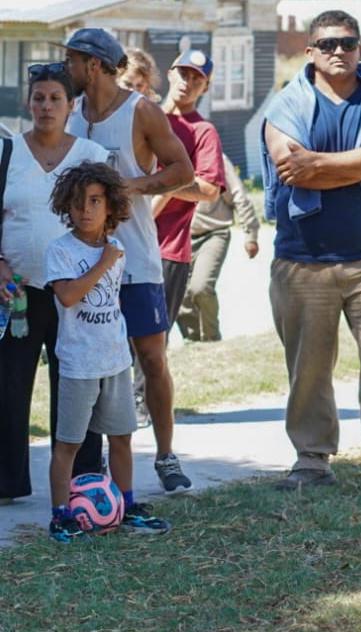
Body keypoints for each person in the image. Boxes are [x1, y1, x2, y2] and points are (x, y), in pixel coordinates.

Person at [262, 9, 361, 504]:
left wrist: (324, 164)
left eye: (347, 44)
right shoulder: (286, 104)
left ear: (360, 50)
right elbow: (292, 170)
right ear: (309, 52)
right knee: (307, 368)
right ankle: (311, 460)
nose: (338, 52)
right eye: (327, 44)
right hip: (301, 258)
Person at [0, 64, 106, 510]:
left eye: (55, 99)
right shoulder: (5, 151)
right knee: (8, 386)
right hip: (18, 290)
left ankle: (84, 479)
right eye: (39, 98)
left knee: (77, 386)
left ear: (71, 106)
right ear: (28, 102)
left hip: (73, 293)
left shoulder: (91, 154)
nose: (46, 106)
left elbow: (105, 216)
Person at [63, 29, 193, 493]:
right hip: (82, 263)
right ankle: (89, 465)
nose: (67, 70)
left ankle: (166, 456)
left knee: (152, 358)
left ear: (93, 65)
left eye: (72, 61)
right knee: (87, 359)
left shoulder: (141, 110)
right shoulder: (70, 113)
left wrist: (132, 185)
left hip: (135, 259)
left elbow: (183, 171)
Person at [43, 163, 172, 543]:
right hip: (79, 363)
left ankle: (127, 504)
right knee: (68, 443)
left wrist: (107, 259)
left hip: (115, 360)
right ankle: (60, 515)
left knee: (122, 438)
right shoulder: (61, 250)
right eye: (79, 202)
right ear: (67, 205)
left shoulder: (116, 248)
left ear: (111, 206)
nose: (86, 209)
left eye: (96, 201)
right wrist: (101, 265)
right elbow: (67, 296)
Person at [152, 49, 228, 338]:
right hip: (124, 243)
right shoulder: (143, 116)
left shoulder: (203, 131)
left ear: (205, 88)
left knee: (153, 347)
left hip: (167, 250)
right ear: (170, 73)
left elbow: (209, 189)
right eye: (183, 73)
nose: (188, 81)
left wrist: (161, 184)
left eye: (197, 78)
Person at [177, 154, 261, 343]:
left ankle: (211, 338)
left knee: (201, 287)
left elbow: (238, 193)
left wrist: (251, 234)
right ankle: (192, 340)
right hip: (181, 237)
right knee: (181, 294)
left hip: (213, 233)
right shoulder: (170, 154)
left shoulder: (215, 157)